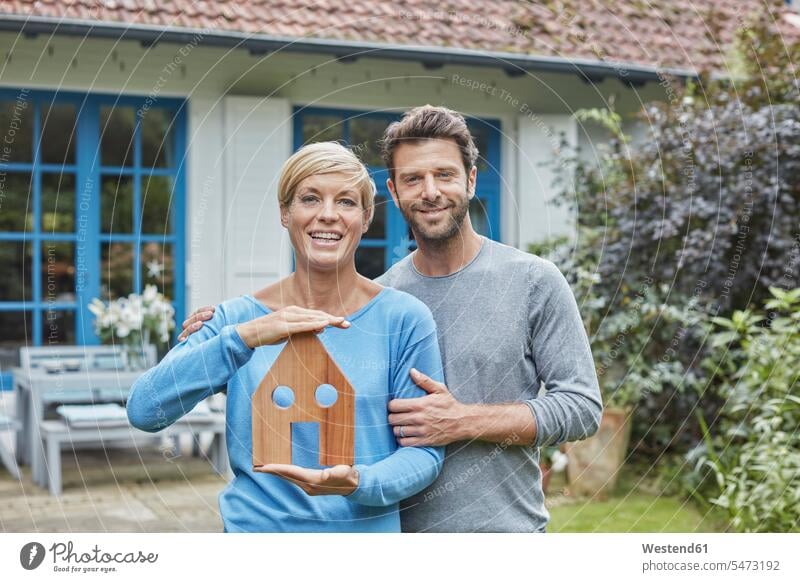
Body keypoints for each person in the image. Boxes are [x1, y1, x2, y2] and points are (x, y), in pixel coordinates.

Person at [180, 106, 603, 533]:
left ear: (471, 180)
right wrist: (228, 327)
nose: (430, 191)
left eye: (445, 175)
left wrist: (461, 421)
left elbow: (582, 407)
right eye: (413, 179)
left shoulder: (533, 281)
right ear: (393, 191)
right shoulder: (380, 303)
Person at [127, 141, 445, 533]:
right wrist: (246, 337)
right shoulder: (236, 319)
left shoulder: (403, 319)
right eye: (310, 198)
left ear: (365, 218)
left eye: (345, 202)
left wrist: (358, 482)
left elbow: (425, 455)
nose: (328, 215)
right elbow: (144, 410)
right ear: (284, 213)